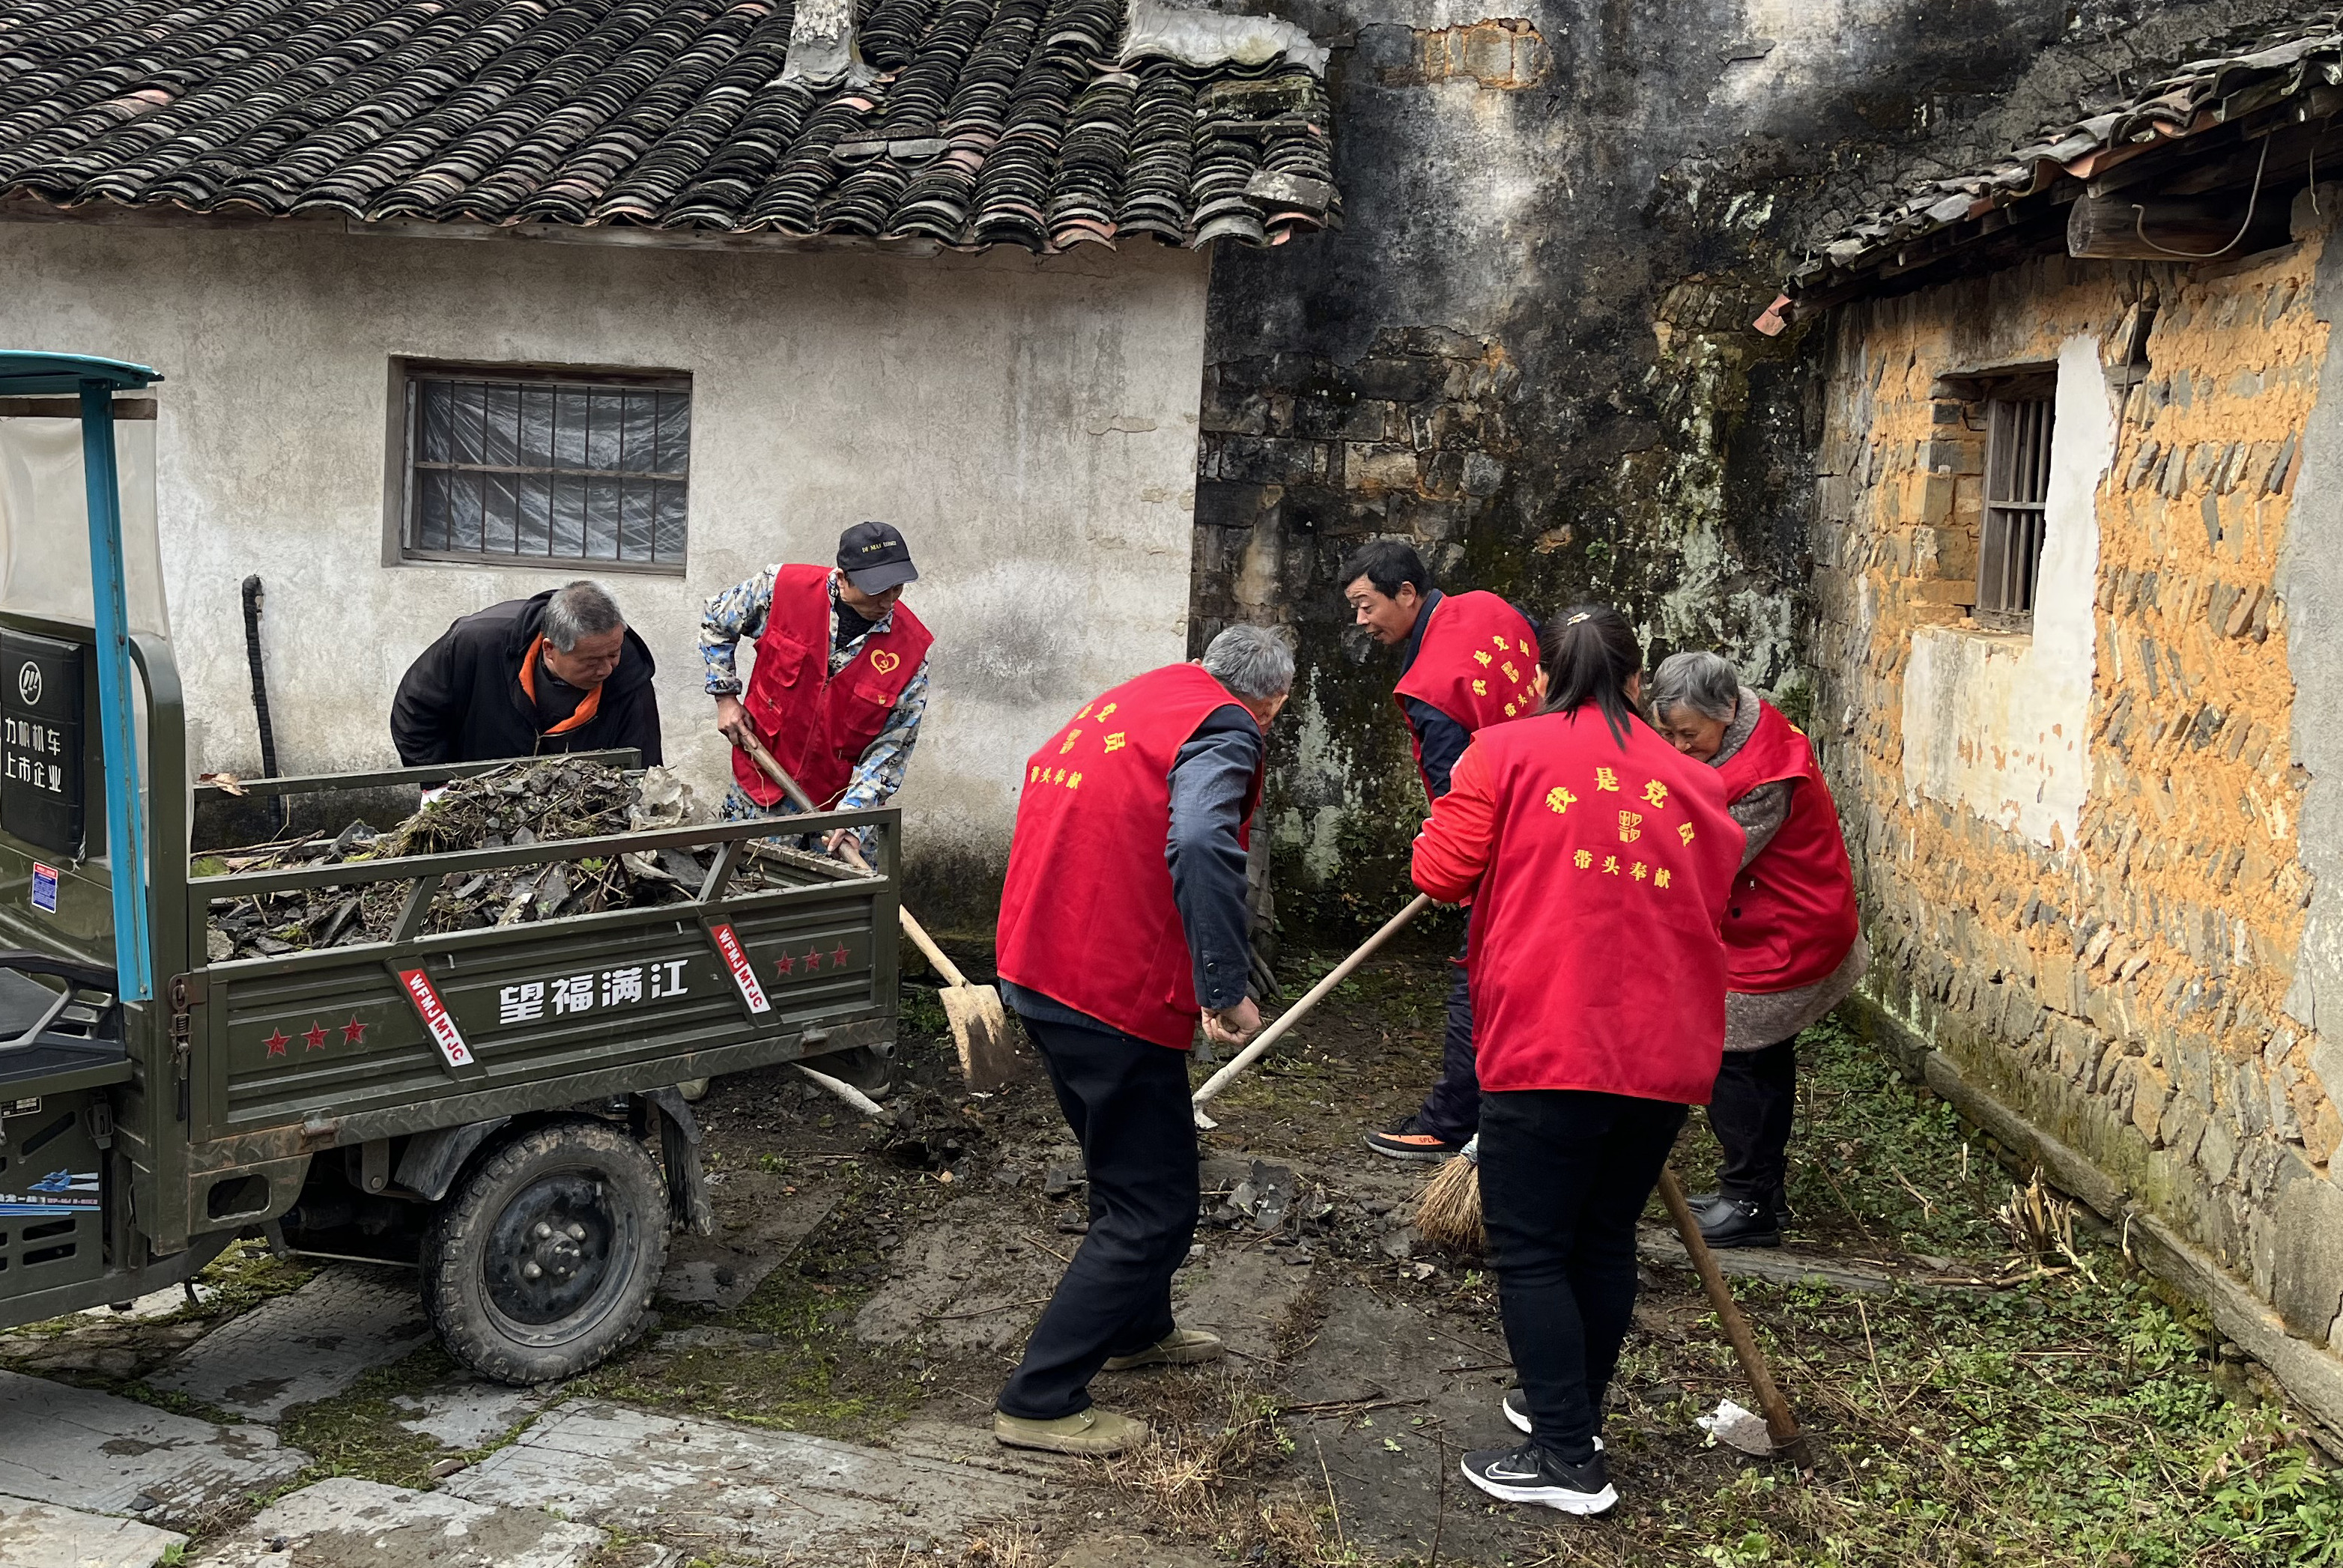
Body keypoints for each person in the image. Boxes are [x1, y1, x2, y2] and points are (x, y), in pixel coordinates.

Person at [1412, 605, 1742, 1514]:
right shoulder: (1692, 780)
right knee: (1601, 1235)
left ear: (1541, 678)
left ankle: (1565, 1462)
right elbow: (1716, 897)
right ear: (1638, 681)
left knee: (1529, 1249)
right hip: (1664, 1049)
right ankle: (1571, 1416)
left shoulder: (1501, 753)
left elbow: (1440, 874)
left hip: (1548, 1039)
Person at [989, 625, 1291, 1457]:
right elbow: (1198, 840)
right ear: (1272, 701)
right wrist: (1222, 985)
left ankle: (1137, 1328)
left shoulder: (1135, 702)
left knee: (1121, 1170)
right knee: (1154, 1209)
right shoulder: (1224, 726)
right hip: (1106, 989)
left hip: (1037, 967)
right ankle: (1041, 1397)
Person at [1649, 651, 1864, 1249]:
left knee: (1732, 1058)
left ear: (1725, 711)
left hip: (1787, 929)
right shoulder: (1736, 718)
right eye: (1668, 733)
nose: (1678, 747)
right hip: (1759, 921)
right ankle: (1762, 1193)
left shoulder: (1765, 776)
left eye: (1688, 735)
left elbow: (1708, 861)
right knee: (1760, 1060)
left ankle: (1747, 1201)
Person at [1339, 539, 1540, 1161]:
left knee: (1476, 978)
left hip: (1511, 844)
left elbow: (1458, 795)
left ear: (1406, 593)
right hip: (1559, 801)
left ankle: (1451, 1122)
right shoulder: (1490, 609)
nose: (1361, 622)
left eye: (1367, 605)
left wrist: (1459, 876)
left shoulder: (1432, 688)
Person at [700, 523, 930, 857]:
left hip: (837, 812)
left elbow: (892, 747)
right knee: (741, 890)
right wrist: (725, 697)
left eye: (896, 588)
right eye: (876, 589)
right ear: (842, 578)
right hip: (761, 785)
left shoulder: (910, 653)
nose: (888, 600)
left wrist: (853, 816)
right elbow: (717, 620)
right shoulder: (781, 589)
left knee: (833, 906)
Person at [391, 580, 663, 768]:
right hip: (476, 802)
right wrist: (439, 783)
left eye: (614, 653)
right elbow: (415, 711)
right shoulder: (477, 644)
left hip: (578, 817)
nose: (606, 669)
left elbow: (642, 761)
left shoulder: (629, 675)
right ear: (550, 649)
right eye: (591, 661)